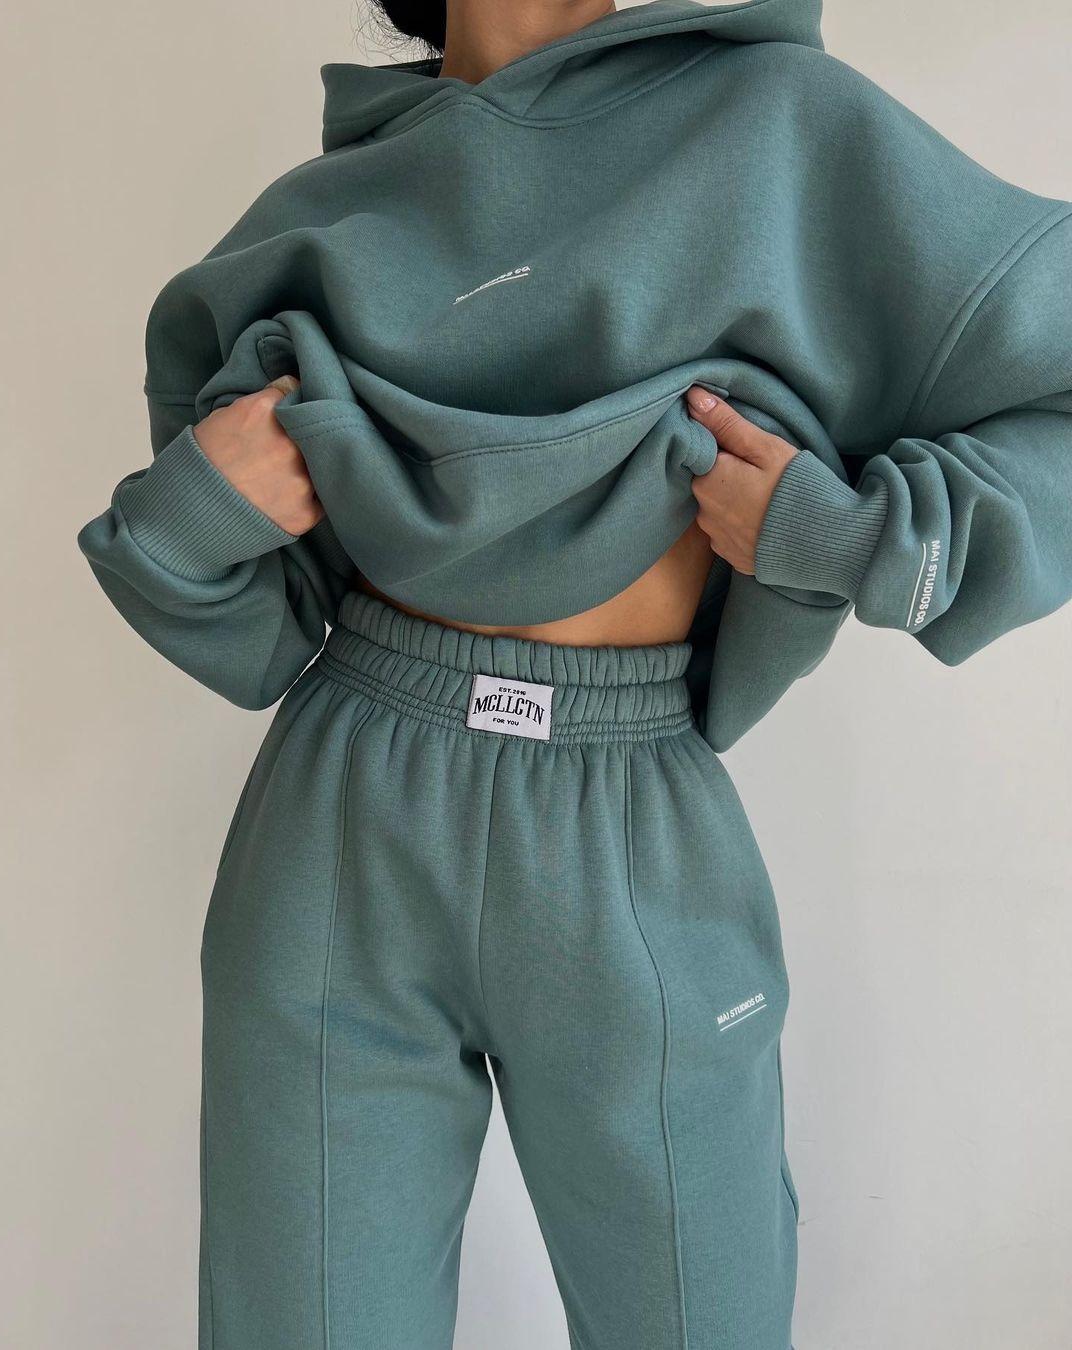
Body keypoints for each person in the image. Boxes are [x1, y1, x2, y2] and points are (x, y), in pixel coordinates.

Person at [76, 1, 1072, 1346]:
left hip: (633, 826)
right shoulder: (321, 213)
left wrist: (857, 540)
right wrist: (194, 506)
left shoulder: (780, 126)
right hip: (343, 824)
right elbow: (255, 621)